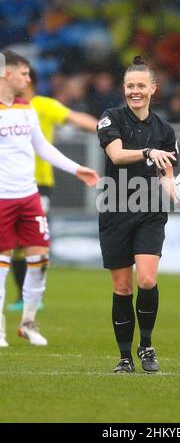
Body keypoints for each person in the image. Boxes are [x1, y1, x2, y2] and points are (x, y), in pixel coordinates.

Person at [0, 50, 99, 347]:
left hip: (29, 196)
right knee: (2, 264)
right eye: (24, 73)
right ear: (7, 73)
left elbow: (42, 147)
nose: (29, 79)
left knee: (40, 260)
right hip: (2, 199)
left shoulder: (27, 109)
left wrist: (76, 168)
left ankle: (28, 324)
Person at [97, 56, 178, 373]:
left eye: (141, 86)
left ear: (153, 89)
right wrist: (146, 152)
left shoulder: (164, 130)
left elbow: (167, 176)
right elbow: (116, 156)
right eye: (130, 85)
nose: (135, 91)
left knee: (146, 279)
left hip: (150, 211)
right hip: (115, 208)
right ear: (124, 88)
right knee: (122, 288)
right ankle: (124, 357)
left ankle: (146, 346)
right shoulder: (111, 118)